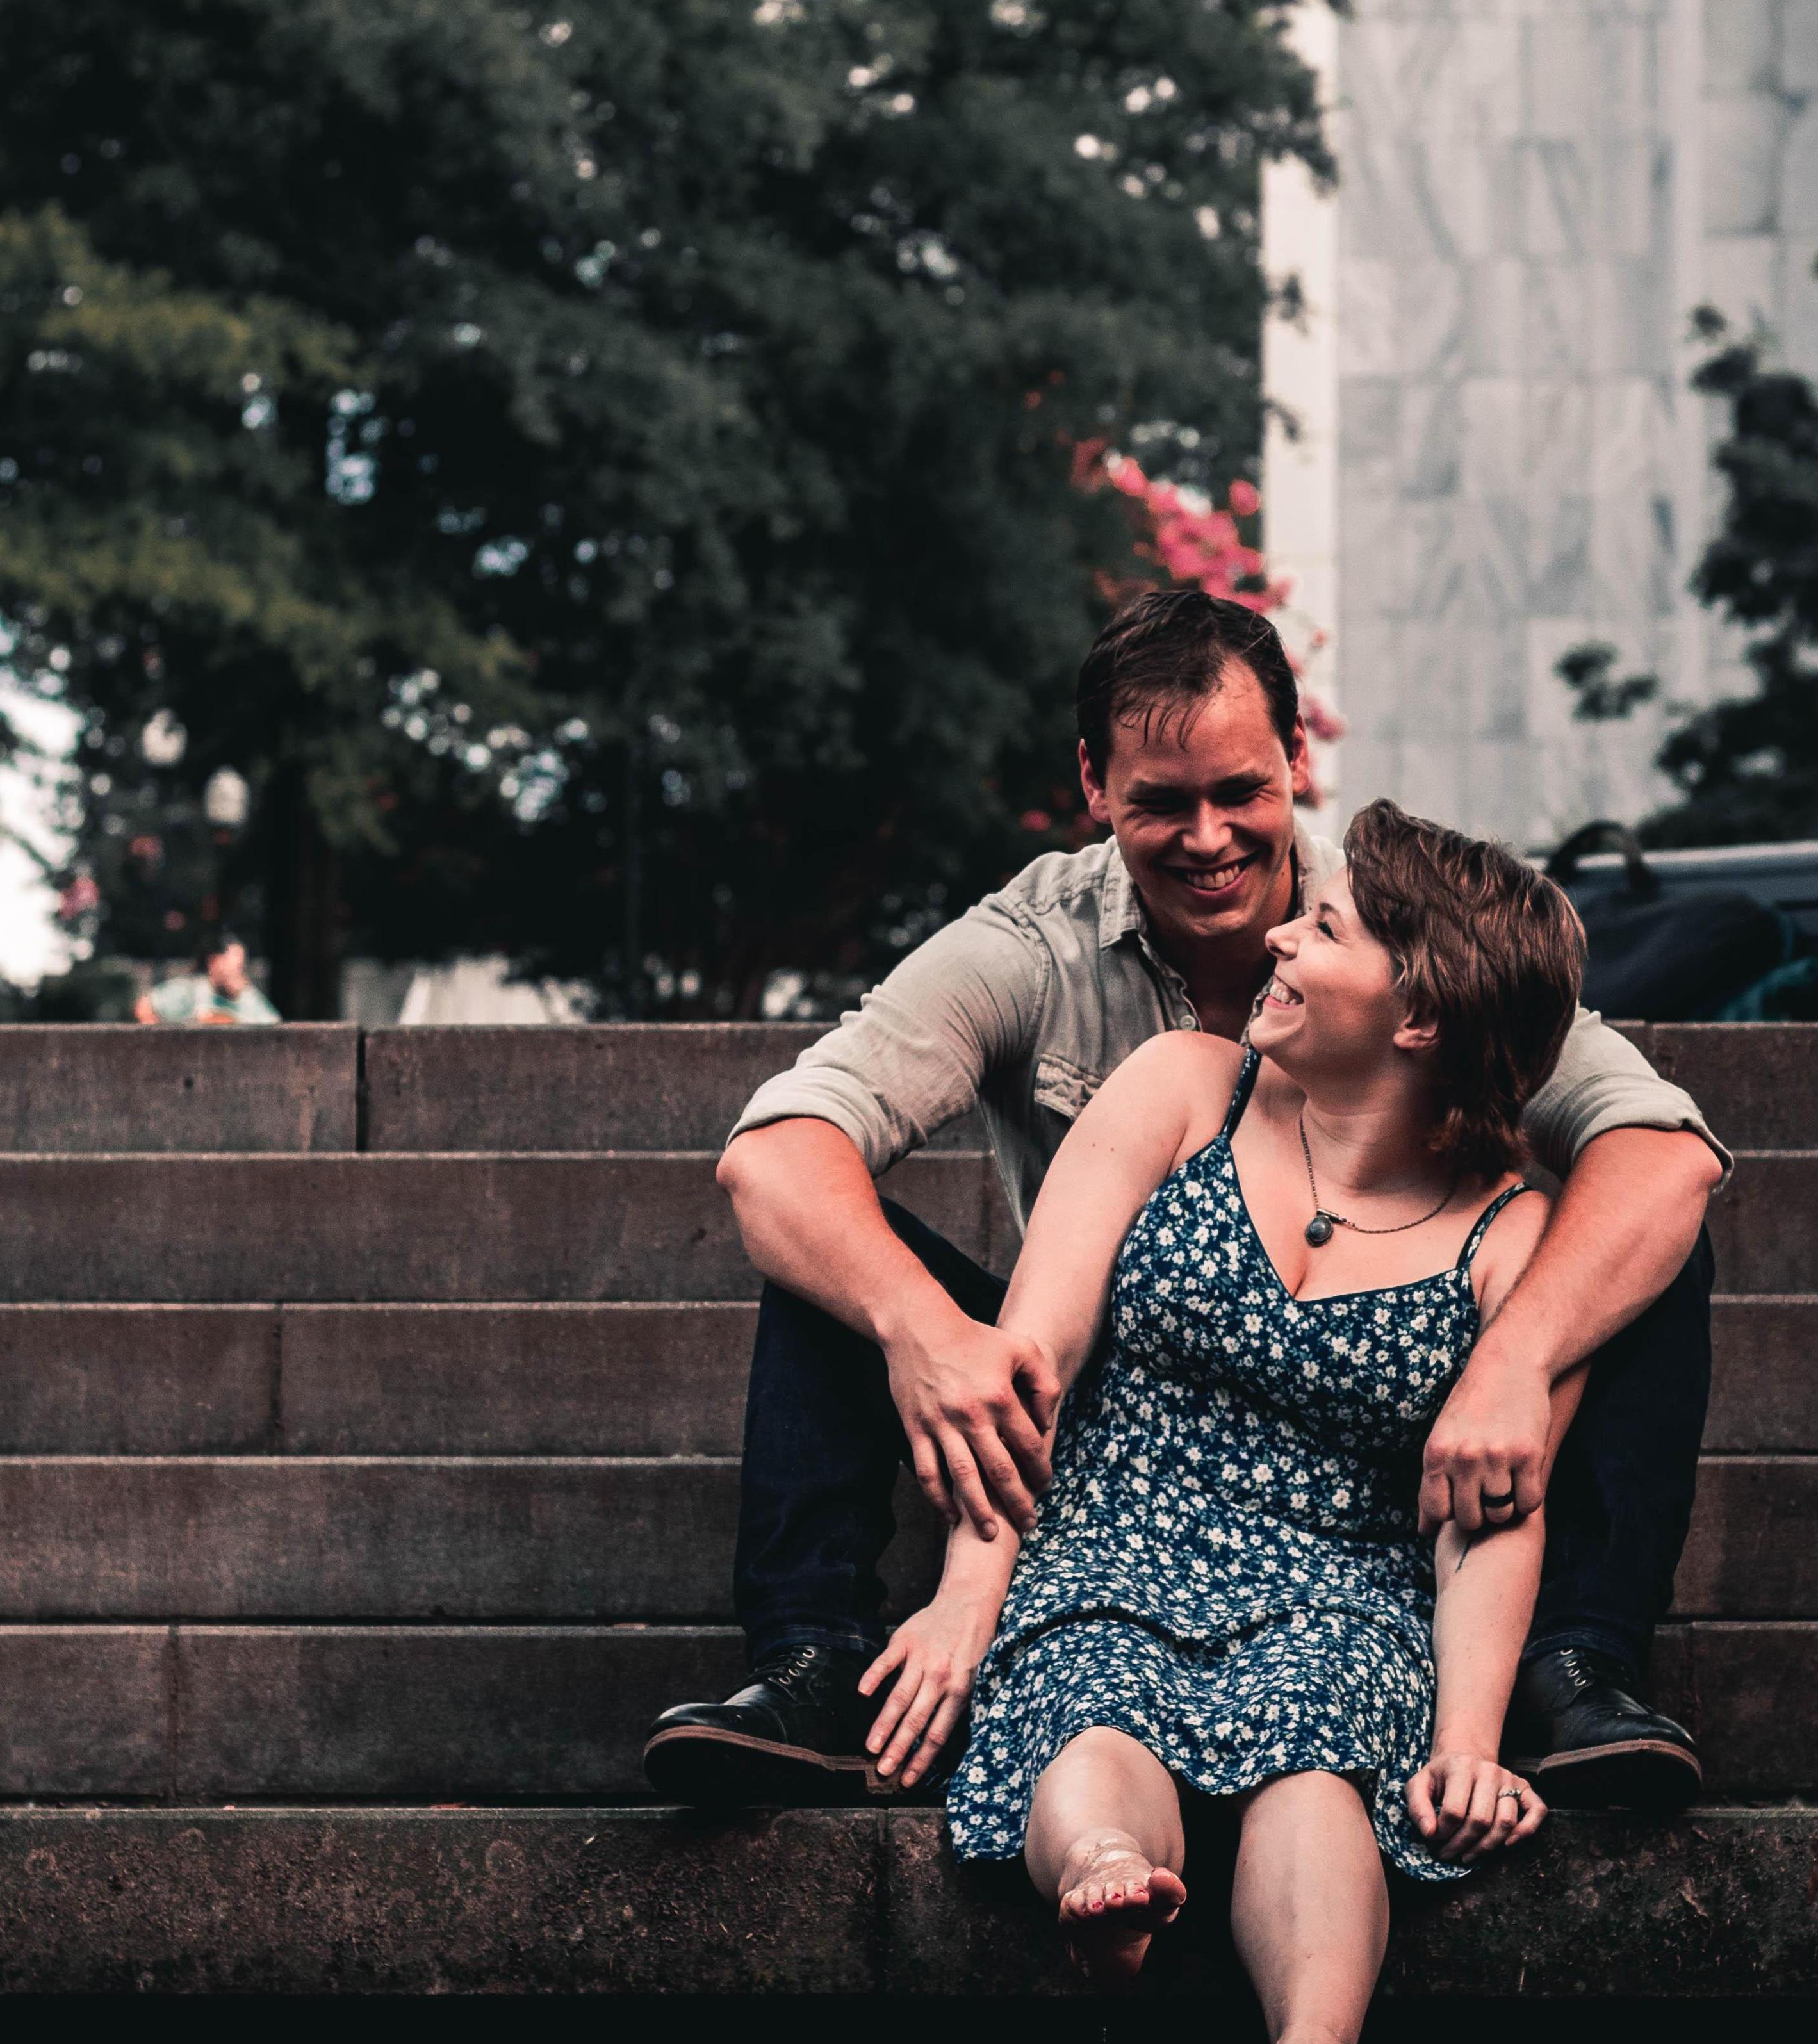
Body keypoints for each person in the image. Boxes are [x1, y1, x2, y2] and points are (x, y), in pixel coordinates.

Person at [646, 588, 1727, 1812]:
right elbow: (779, 1148)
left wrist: (1513, 1362)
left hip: (1358, 1443)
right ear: (1094, 783)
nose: (1208, 836)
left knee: (1639, 1250)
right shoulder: (1029, 945)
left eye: (1239, 792)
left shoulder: (1397, 926)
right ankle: (816, 1661)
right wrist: (926, 1332)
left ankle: (1570, 1664)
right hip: (1094, 1386)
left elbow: (1663, 1151)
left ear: (1295, 761)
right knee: (841, 1254)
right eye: (1161, 800)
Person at [856, 803, 1585, 2044]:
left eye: (1326, 926)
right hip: (1104, 1542)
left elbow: (1491, 1515)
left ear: (1417, 1014)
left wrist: (1467, 1738)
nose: (1281, 942)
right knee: (1090, 1712)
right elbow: (1031, 1359)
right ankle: (1103, 1880)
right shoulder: (1183, 1086)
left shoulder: (1510, 1235)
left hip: (1340, 1585)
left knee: (1312, 1765)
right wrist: (970, 1592)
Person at [134, 932, 279, 1026]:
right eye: (234, 967)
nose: (237, 974)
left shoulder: (248, 997)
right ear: (214, 962)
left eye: (240, 968)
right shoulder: (191, 991)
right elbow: (145, 1005)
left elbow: (274, 1026)